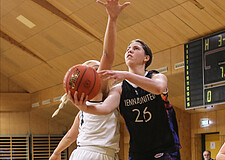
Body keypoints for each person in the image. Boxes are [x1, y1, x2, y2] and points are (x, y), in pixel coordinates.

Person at [70, 38, 181, 159]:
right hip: (138, 152)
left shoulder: (157, 77)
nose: (130, 51)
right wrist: (84, 107)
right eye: (128, 49)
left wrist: (127, 75)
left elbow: (158, 89)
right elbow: (104, 108)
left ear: (146, 58)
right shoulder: (119, 89)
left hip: (165, 150)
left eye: (136, 48)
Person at [49, 0, 130, 160]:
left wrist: (57, 152)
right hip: (96, 155)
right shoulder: (96, 94)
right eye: (96, 69)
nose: (102, 71)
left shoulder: (83, 112)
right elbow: (108, 54)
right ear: (88, 81)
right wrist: (112, 19)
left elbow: (70, 137)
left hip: (81, 153)